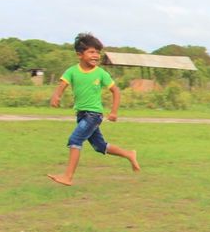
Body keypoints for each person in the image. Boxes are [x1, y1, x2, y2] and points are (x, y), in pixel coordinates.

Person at [47, 33, 140, 186]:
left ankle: (68, 176)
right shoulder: (72, 71)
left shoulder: (101, 73)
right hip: (81, 114)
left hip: (93, 115)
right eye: (91, 52)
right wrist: (56, 96)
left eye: (98, 52)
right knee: (100, 146)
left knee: (75, 140)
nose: (96, 55)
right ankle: (129, 154)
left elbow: (116, 91)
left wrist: (114, 112)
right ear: (79, 54)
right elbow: (62, 85)